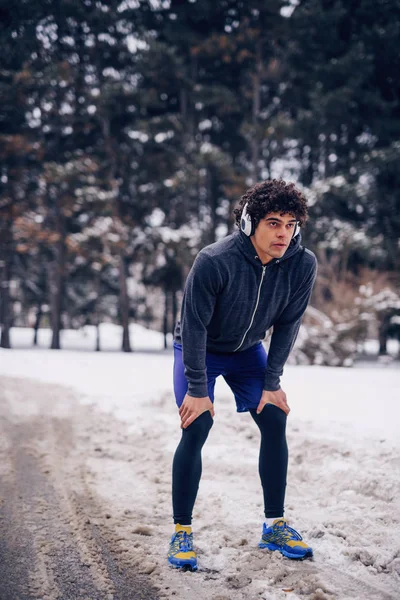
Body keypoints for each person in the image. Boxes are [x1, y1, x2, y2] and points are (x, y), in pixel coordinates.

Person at [168, 179, 317, 570]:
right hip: (200, 349)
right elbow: (195, 326)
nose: (283, 233)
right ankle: (182, 530)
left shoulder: (302, 265)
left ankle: (275, 525)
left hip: (248, 350)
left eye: (290, 224)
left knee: (274, 417)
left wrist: (272, 382)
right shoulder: (214, 260)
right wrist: (198, 389)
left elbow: (288, 325)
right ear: (250, 223)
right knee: (196, 424)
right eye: (273, 222)